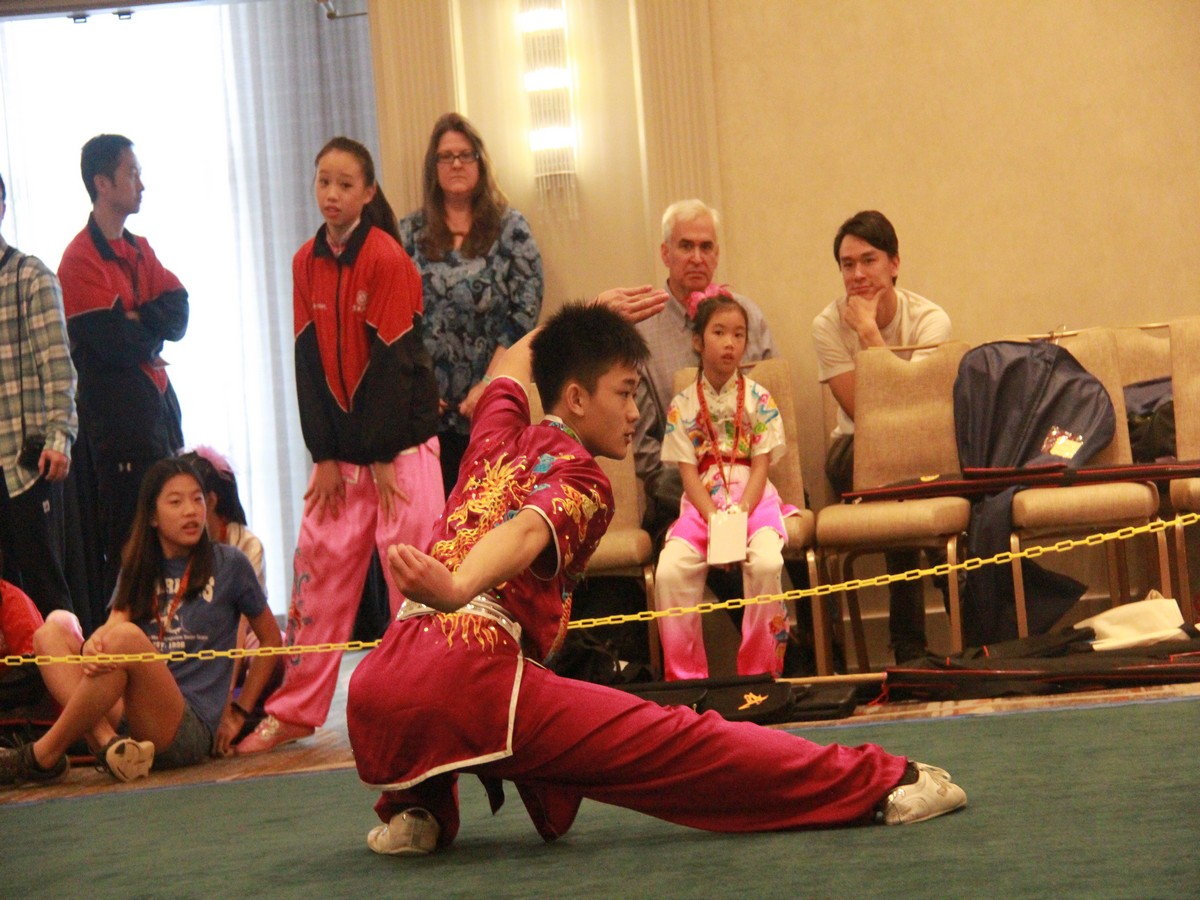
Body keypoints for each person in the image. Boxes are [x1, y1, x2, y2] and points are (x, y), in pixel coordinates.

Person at [346, 302, 966, 858]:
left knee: (447, 708)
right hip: (471, 678)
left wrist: (581, 319)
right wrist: (458, 589)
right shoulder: (580, 474)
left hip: (380, 688)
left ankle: (416, 809)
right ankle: (883, 781)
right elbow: (527, 532)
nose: (635, 411)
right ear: (576, 398)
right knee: (678, 743)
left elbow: (511, 362)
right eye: (624, 392)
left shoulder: (493, 430)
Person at [236, 137, 443, 755]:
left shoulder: (387, 258)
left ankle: (423, 706)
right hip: (343, 457)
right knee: (318, 574)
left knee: (411, 577)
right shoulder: (305, 261)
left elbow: (396, 364)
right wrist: (323, 454)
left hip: (400, 452)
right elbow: (306, 361)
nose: (332, 194)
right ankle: (294, 711)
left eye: (345, 184)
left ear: (368, 192)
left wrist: (382, 456)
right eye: (324, 181)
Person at [0, 458, 281, 787]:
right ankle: (109, 745)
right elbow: (112, 628)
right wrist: (91, 648)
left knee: (126, 638)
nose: (190, 511)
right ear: (152, 516)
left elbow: (271, 639)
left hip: (187, 726)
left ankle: (41, 755)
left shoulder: (229, 563)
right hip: (131, 714)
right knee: (49, 634)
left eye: (197, 499)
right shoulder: (140, 565)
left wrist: (239, 712)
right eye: (175, 502)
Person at [812, 210, 952, 664]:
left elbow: (911, 411)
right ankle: (928, 634)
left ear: (894, 263)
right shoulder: (827, 325)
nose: (857, 274)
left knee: (905, 486)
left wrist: (870, 333)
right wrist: (865, 331)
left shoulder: (930, 319)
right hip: (855, 450)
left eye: (868, 260)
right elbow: (868, 414)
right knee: (897, 486)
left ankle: (914, 643)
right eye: (847, 264)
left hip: (926, 449)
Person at [58, 134, 189, 612]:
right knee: (129, 556)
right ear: (102, 183)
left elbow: (179, 312)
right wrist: (147, 324)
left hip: (158, 420)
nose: (141, 184)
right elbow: (114, 343)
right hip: (117, 433)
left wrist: (138, 318)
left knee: (171, 549)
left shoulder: (140, 249)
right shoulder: (79, 260)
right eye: (131, 173)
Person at [397, 112, 544, 496]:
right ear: (434, 167)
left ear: (480, 161)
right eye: (446, 157)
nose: (457, 164)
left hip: (493, 405)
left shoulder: (511, 229)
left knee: (490, 513)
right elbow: (394, 318)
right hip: (426, 413)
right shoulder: (408, 233)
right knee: (435, 519)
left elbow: (524, 311)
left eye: (466, 155)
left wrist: (490, 385)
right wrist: (418, 385)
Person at [655, 290, 795, 680]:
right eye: (718, 332)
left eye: (738, 334)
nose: (730, 343)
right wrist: (714, 516)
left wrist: (741, 511)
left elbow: (762, 463)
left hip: (753, 498)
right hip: (702, 502)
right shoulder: (682, 405)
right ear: (698, 341)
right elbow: (687, 472)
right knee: (669, 572)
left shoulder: (759, 399)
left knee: (767, 563)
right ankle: (685, 679)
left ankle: (761, 673)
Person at [0, 171, 78, 618]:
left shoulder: (30, 276)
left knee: (47, 595)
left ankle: (65, 668)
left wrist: (59, 438)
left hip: (26, 466)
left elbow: (59, 369)